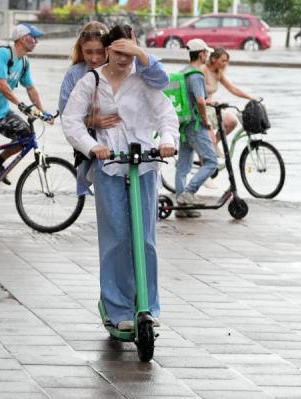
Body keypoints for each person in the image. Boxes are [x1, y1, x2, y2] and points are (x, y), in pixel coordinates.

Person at [62, 25, 178, 331]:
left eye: (130, 52)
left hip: (145, 164)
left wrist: (167, 139)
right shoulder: (92, 81)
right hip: (110, 165)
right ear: (107, 50)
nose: (125, 59)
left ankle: (147, 306)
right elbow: (70, 120)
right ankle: (117, 308)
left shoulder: (144, 80)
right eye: (118, 52)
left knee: (146, 239)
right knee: (116, 238)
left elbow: (167, 114)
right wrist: (93, 146)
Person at [58, 21, 169, 195]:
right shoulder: (77, 75)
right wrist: (91, 122)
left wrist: (138, 51)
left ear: (108, 49)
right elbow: (68, 115)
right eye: (88, 52)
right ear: (81, 51)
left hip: (138, 152)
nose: (94, 58)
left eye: (100, 52)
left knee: (143, 212)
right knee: (110, 209)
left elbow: (161, 83)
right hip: (99, 147)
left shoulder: (134, 71)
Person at [0, 23, 54, 214]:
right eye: (34, 37)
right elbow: (1, 83)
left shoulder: (24, 62)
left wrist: (42, 112)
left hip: (1, 111)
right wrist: (20, 104)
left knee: (25, 136)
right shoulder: (3, 54)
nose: (36, 41)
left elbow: (30, 88)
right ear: (22, 38)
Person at [174, 38, 219, 218]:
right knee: (211, 161)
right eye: (206, 53)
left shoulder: (183, 72)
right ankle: (189, 192)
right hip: (195, 124)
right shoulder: (196, 74)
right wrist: (206, 120)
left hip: (183, 124)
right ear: (201, 54)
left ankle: (182, 206)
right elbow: (200, 101)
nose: (207, 56)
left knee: (183, 166)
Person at [200, 47, 254, 142]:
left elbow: (233, 89)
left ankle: (215, 144)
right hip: (201, 107)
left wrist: (251, 98)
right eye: (223, 61)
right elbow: (196, 92)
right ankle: (211, 146)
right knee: (209, 139)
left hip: (211, 107)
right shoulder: (203, 69)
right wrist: (209, 101)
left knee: (232, 121)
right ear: (213, 59)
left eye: (227, 61)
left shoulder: (218, 72)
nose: (225, 63)